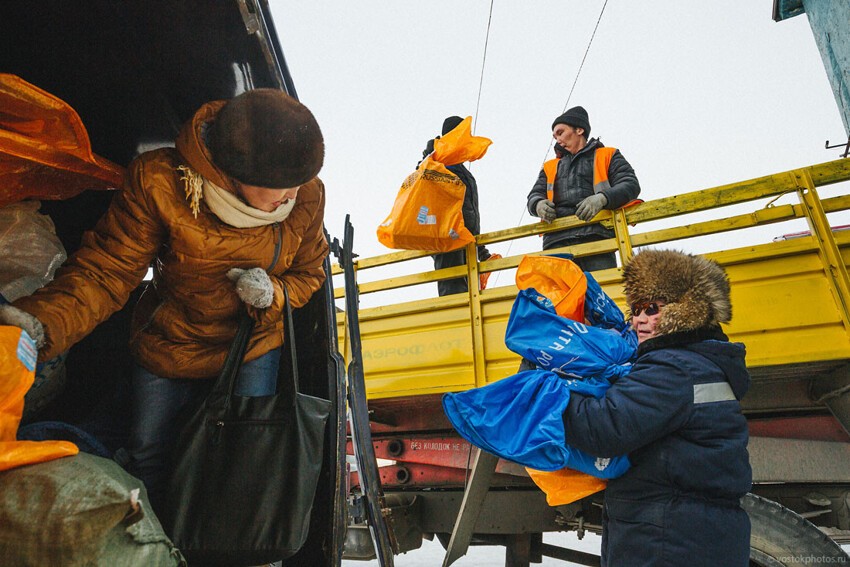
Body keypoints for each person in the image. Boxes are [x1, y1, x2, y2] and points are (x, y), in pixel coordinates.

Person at [0, 89, 329, 511]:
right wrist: (39, 325)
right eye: (280, 188)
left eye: (299, 185)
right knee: (149, 454)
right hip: (171, 341)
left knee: (242, 459)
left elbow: (309, 273)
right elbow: (107, 271)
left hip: (253, 346)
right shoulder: (161, 181)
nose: (292, 196)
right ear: (230, 172)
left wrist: (273, 293)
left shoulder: (308, 195)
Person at [562, 249, 751, 566]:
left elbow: (605, 427)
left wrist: (546, 389)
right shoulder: (699, 362)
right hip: (683, 535)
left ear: (686, 310)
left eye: (652, 308)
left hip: (669, 540)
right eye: (635, 309)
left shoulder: (673, 368)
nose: (639, 319)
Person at [526, 106, 641, 271]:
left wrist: (602, 198)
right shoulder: (550, 166)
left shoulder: (607, 155)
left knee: (601, 293)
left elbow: (630, 184)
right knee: (562, 297)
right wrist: (537, 205)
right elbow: (534, 195)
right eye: (554, 136)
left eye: (560, 132)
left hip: (597, 238)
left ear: (579, 130)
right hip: (557, 243)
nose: (557, 140)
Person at [422, 116, 492, 296]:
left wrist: (480, 248)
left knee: (468, 294)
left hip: (464, 241)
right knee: (453, 293)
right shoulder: (437, 163)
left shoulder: (457, 167)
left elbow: (466, 214)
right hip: (448, 240)